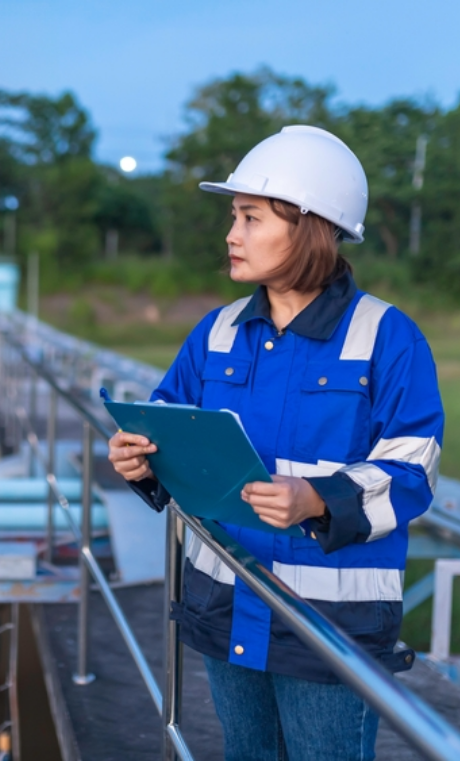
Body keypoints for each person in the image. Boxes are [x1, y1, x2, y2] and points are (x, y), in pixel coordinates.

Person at [107, 125, 444, 761]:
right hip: (225, 604)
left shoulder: (388, 337)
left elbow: (414, 470)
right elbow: (166, 429)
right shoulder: (217, 331)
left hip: (327, 626)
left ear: (309, 226)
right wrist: (137, 461)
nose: (232, 235)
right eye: (235, 217)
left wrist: (317, 499)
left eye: (251, 217)